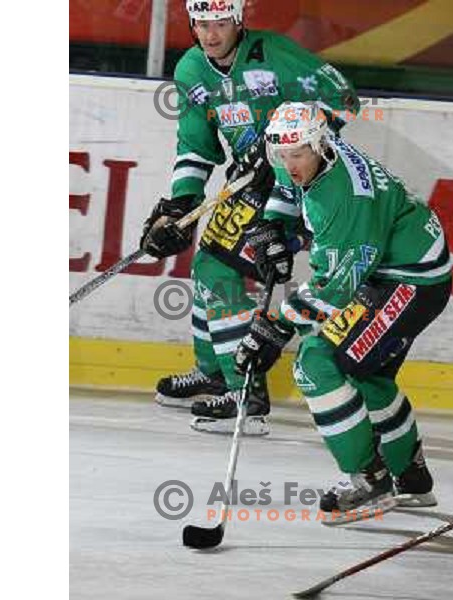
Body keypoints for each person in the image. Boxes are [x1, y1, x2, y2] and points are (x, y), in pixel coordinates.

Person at [139, 0, 360, 435]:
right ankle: (216, 371)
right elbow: (196, 145)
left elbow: (345, 101)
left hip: (301, 180)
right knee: (207, 259)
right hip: (250, 184)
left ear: (238, 20)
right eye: (202, 23)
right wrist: (182, 203)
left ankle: (246, 394)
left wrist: (286, 142)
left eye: (220, 22)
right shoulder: (191, 70)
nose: (211, 33)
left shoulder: (274, 52)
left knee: (214, 267)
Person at [234, 101, 452, 517]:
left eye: (297, 154)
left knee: (315, 363)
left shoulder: (344, 197)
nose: (289, 162)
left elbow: (333, 289)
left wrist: (274, 330)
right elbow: (286, 188)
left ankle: (369, 481)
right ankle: (412, 477)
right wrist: (273, 228)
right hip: (397, 266)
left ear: (320, 145)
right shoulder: (298, 148)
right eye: (282, 154)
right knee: (366, 374)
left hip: (409, 278)